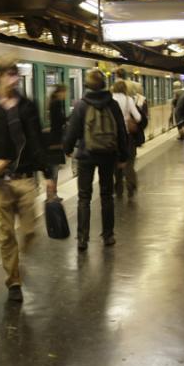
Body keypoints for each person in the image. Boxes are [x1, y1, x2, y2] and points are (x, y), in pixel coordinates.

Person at [0, 55, 55, 302]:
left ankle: (18, 260)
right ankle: (13, 281)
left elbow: (38, 141)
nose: (14, 79)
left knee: (29, 231)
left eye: (16, 74)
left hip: (26, 179)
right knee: (6, 233)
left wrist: (49, 174)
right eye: (9, 74)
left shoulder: (28, 106)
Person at [63, 69, 128, 251]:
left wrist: (67, 149)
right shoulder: (112, 104)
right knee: (107, 196)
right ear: (104, 85)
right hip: (108, 155)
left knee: (84, 197)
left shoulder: (81, 105)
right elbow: (121, 131)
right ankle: (108, 236)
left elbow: (73, 130)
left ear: (87, 85)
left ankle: (83, 238)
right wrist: (123, 156)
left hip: (86, 156)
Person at [110, 80, 140, 199]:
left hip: (113, 137)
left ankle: (118, 189)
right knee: (129, 162)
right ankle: (130, 185)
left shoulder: (110, 99)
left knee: (116, 163)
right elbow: (138, 117)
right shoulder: (129, 100)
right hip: (127, 136)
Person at [47, 84, 68, 190]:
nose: (65, 95)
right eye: (65, 92)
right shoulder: (57, 103)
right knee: (54, 168)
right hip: (56, 138)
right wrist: (68, 119)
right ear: (60, 92)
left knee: (54, 168)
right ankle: (52, 195)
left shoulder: (53, 102)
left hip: (55, 136)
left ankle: (53, 194)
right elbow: (59, 120)